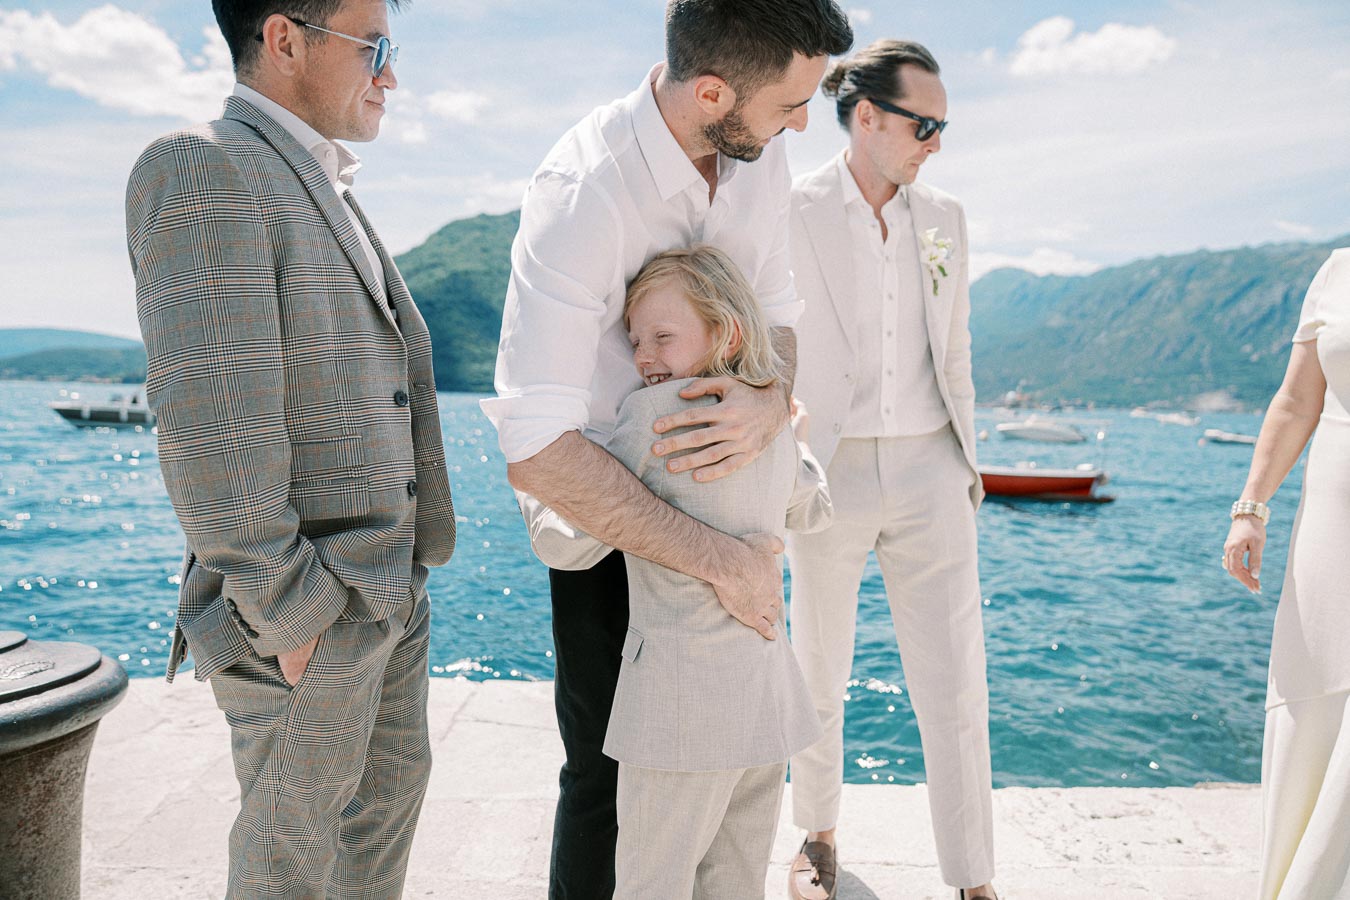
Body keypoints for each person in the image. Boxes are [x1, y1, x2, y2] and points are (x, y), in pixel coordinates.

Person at [480, 3, 853, 895]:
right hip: (610, 508)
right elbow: (536, 447)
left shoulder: (755, 149)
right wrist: (721, 560)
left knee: (737, 779)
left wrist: (768, 400)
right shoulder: (583, 190)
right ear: (714, 91)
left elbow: (782, 319)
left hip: (734, 504)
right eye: (792, 103)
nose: (804, 122)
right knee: (607, 784)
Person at [125, 1, 455, 896]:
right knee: (290, 869)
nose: (392, 74)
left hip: (385, 589)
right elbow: (209, 423)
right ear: (283, 39)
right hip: (312, 610)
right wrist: (292, 613)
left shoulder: (319, 179)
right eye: (375, 48)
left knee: (370, 848)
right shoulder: (201, 166)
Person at [528, 245, 834, 898]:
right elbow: (814, 508)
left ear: (724, 330)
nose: (644, 357)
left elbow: (568, 544)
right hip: (763, 706)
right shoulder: (769, 424)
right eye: (636, 339)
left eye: (663, 336)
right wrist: (797, 438)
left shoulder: (649, 417)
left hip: (676, 715)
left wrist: (542, 483)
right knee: (734, 885)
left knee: (651, 885)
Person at [782, 40, 997, 900]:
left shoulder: (945, 216)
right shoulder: (792, 210)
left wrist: (968, 470)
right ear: (865, 117)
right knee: (819, 667)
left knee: (954, 683)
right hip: (826, 469)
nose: (935, 142)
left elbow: (957, 351)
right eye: (924, 124)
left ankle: (974, 877)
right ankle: (818, 835)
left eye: (943, 126)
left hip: (931, 468)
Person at [1224, 248, 1349, 899]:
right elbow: (1298, 402)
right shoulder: (1336, 272)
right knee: (1313, 701)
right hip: (1330, 531)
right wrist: (1251, 508)